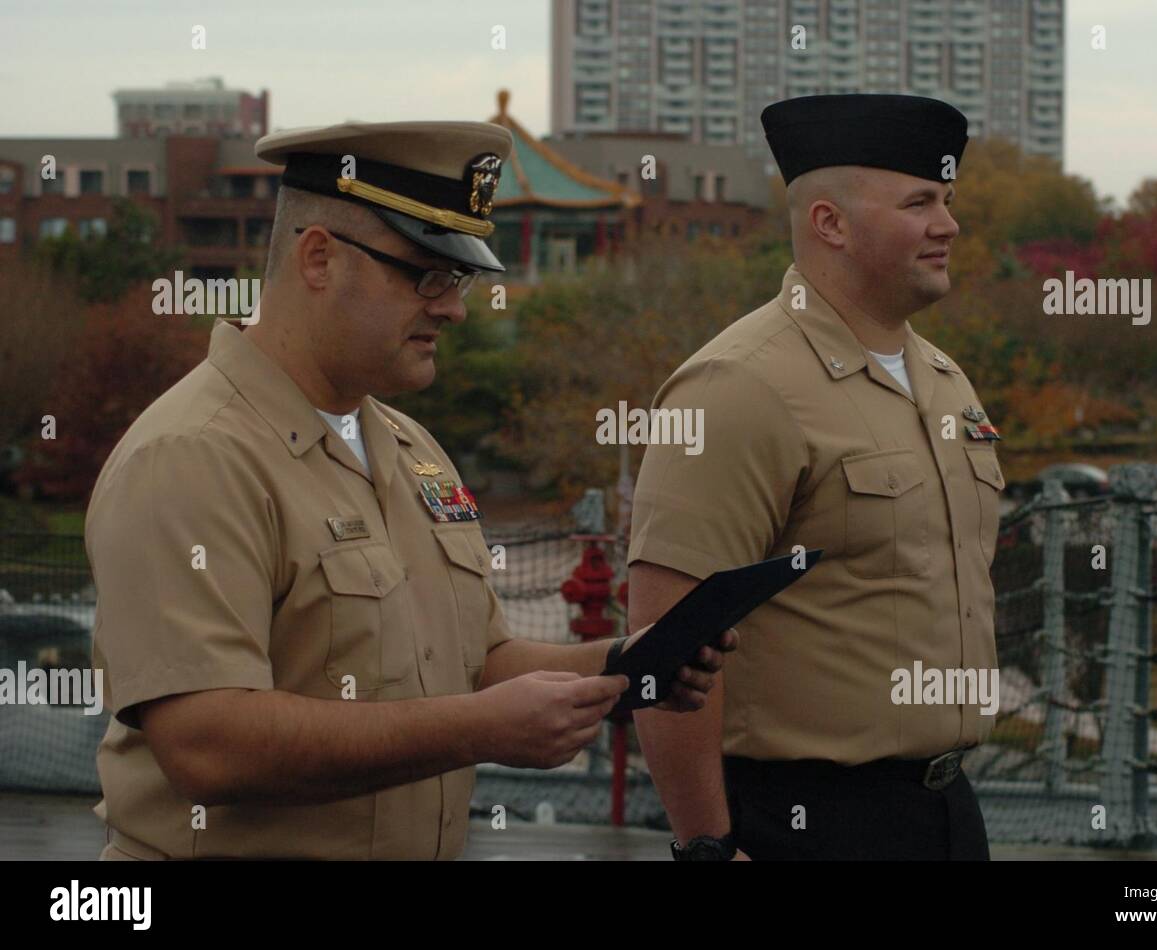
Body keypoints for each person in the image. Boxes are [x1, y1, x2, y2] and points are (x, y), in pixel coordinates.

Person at [87, 120, 732, 860]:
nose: (454, 307)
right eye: (426, 274)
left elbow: (478, 663)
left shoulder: (408, 447)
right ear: (320, 259)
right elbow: (208, 745)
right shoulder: (193, 456)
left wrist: (629, 666)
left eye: (458, 280)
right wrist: (480, 729)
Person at [627, 95, 1005, 861]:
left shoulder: (943, 380)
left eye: (948, 202)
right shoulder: (736, 386)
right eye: (919, 203)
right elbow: (667, 642)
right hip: (800, 823)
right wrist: (706, 846)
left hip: (947, 813)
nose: (948, 225)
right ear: (830, 223)